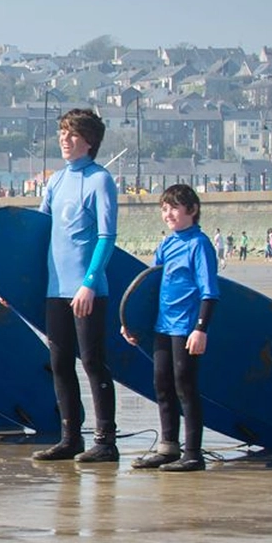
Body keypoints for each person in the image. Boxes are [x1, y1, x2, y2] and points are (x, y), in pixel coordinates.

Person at [31, 107, 121, 463]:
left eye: (72, 135)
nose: (65, 140)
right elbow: (37, 234)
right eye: (62, 133)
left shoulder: (100, 180)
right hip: (56, 291)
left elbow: (106, 237)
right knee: (60, 363)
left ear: (90, 142)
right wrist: (11, 284)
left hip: (87, 291)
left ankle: (105, 441)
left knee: (94, 364)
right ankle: (70, 438)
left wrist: (88, 283)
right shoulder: (55, 181)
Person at [122, 184, 218, 472]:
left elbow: (210, 292)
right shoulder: (167, 245)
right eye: (164, 208)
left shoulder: (199, 245)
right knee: (161, 385)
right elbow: (149, 288)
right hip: (162, 326)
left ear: (192, 210)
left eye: (174, 207)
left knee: (185, 387)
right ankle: (168, 448)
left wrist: (200, 329)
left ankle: (193, 454)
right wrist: (130, 323)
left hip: (186, 327)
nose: (168, 214)